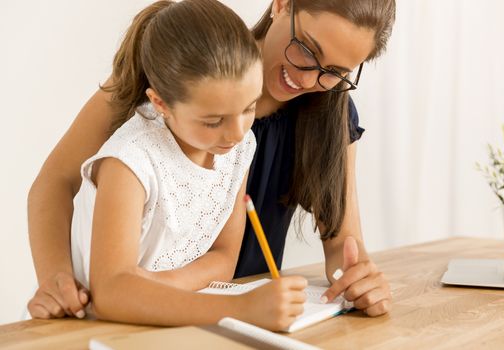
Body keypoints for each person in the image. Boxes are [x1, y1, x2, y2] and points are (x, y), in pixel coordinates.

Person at [28, 0, 396, 320]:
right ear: (282, 4)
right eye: (307, 49)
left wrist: (357, 277)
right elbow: (56, 181)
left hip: (241, 317)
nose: (309, 77)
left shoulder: (329, 116)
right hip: (138, 311)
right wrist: (56, 277)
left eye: (336, 72)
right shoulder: (184, 66)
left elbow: (343, 246)